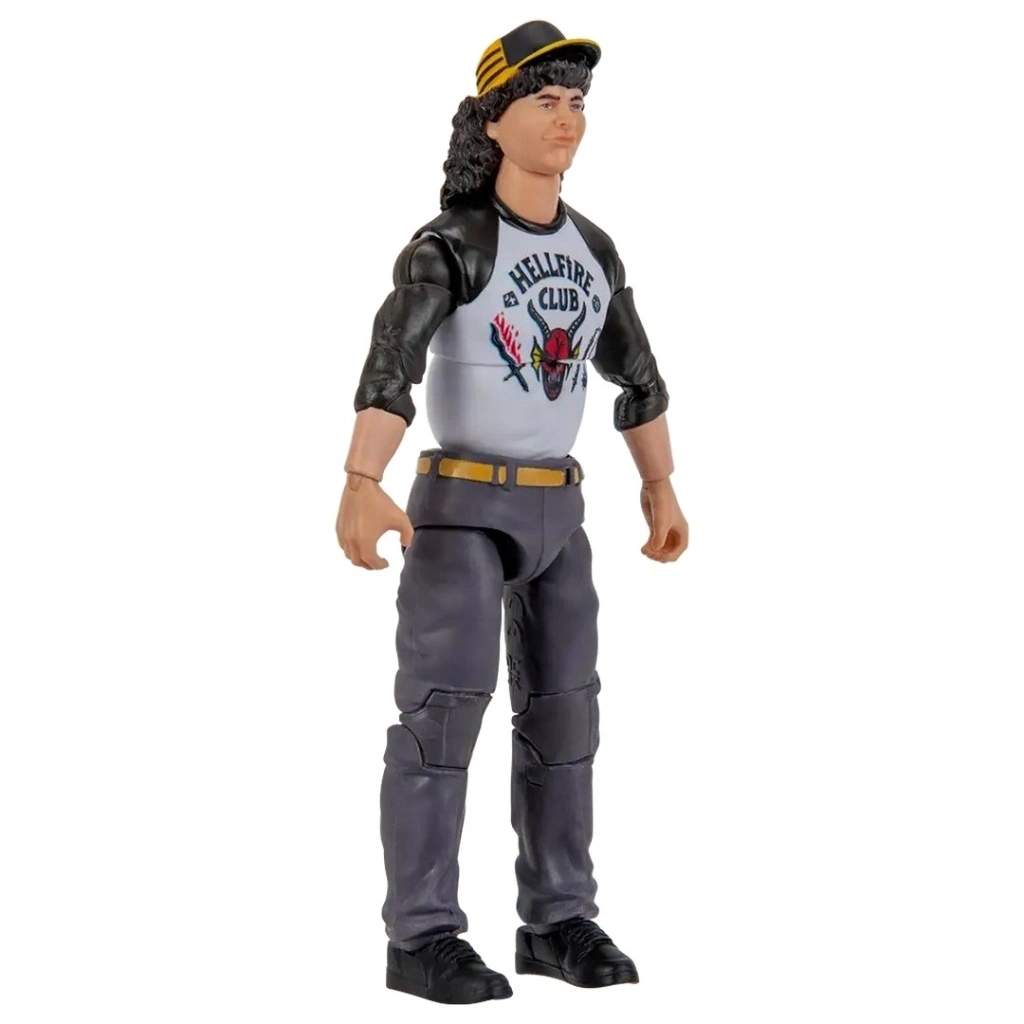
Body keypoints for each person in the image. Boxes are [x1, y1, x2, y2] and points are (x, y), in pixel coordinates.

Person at [335, 20, 689, 1004]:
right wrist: (362, 478)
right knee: (440, 718)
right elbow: (393, 363)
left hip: (558, 513)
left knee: (566, 716)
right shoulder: (453, 244)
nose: (566, 118)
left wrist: (658, 482)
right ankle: (421, 935)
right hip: (460, 509)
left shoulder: (591, 248)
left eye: (576, 101)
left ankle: (558, 917)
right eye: (544, 99)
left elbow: (638, 374)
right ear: (493, 120)